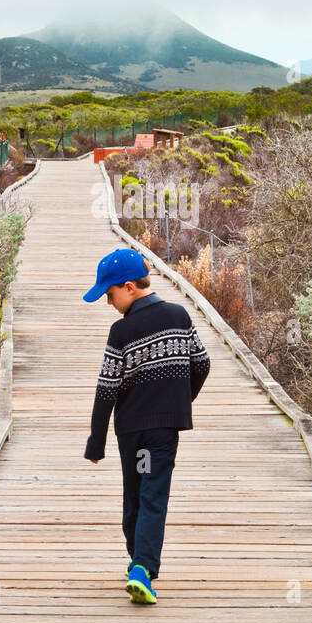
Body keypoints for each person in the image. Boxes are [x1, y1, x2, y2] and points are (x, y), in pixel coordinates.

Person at [82, 248, 210, 604]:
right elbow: (202, 364)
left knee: (135, 493)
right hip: (163, 431)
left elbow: (106, 390)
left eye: (109, 295)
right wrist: (179, 401)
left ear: (129, 287)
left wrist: (96, 442)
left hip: (132, 433)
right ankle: (141, 565)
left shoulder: (121, 332)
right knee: (153, 495)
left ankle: (139, 562)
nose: (109, 303)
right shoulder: (179, 316)